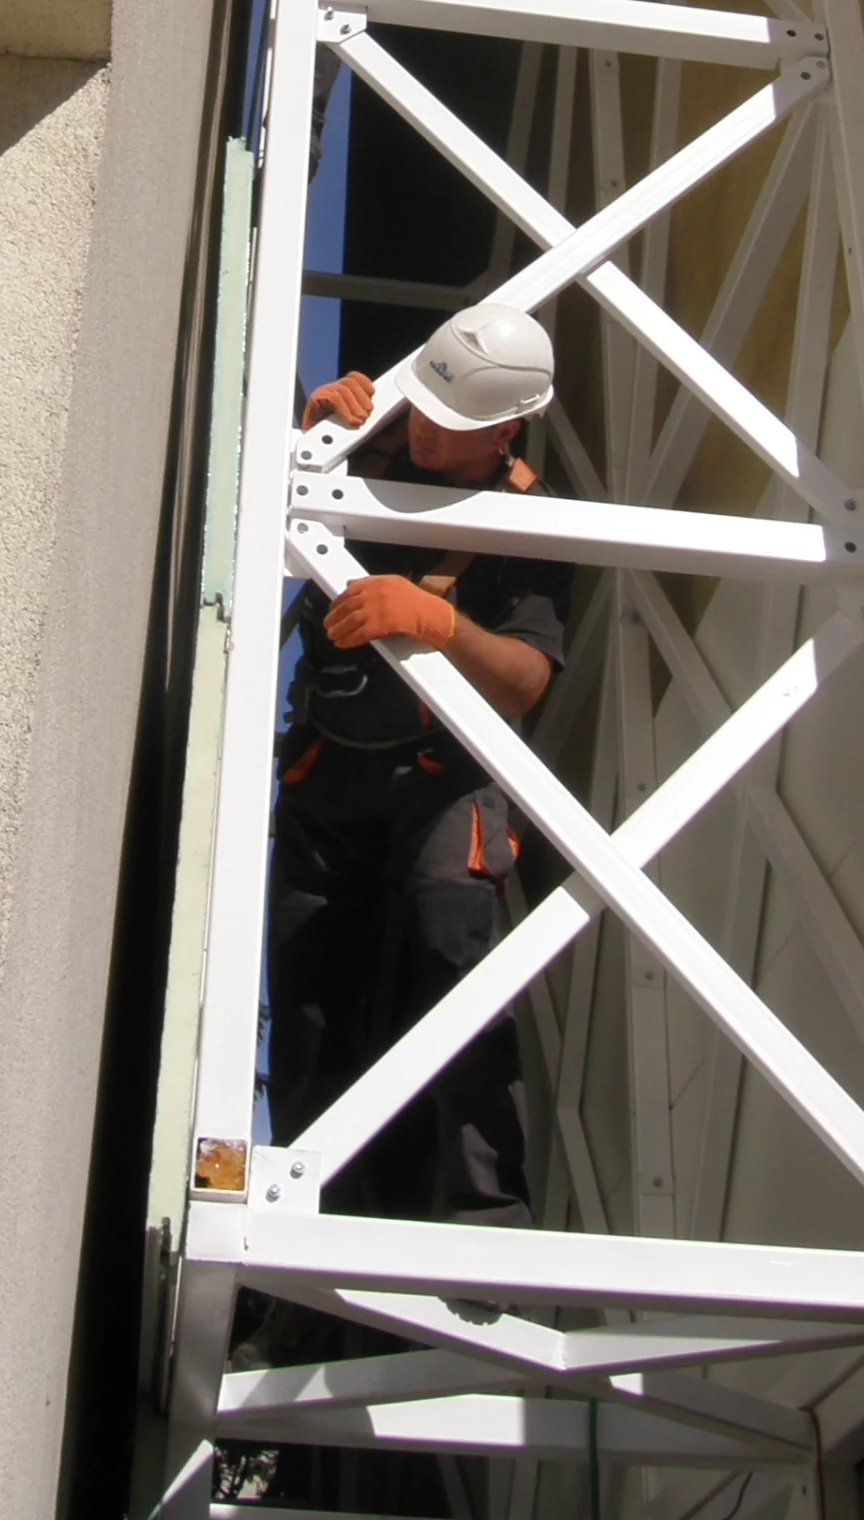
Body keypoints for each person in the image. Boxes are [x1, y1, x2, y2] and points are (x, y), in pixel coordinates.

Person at [267, 302, 571, 1228]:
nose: (429, 430)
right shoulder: (371, 436)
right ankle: (305, 1243)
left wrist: (441, 623)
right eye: (427, 408)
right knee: (312, 1009)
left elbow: (525, 680)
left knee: (454, 972)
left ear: (507, 431)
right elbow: (247, 525)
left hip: (444, 777)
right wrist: (309, 445)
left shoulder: (530, 522)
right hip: (332, 773)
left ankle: (489, 1231)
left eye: (454, 423)